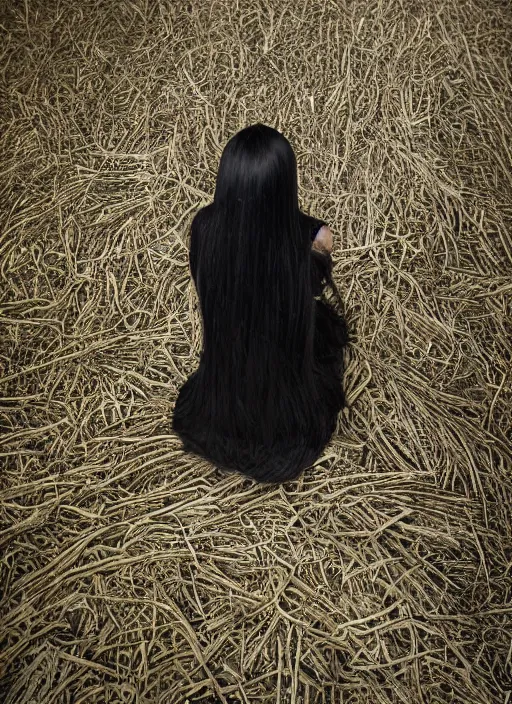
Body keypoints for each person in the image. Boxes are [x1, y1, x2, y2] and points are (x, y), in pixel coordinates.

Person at [173, 123, 349, 483]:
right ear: (285, 184)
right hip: (286, 397)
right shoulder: (315, 240)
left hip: (224, 384)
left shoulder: (202, 228)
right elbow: (311, 295)